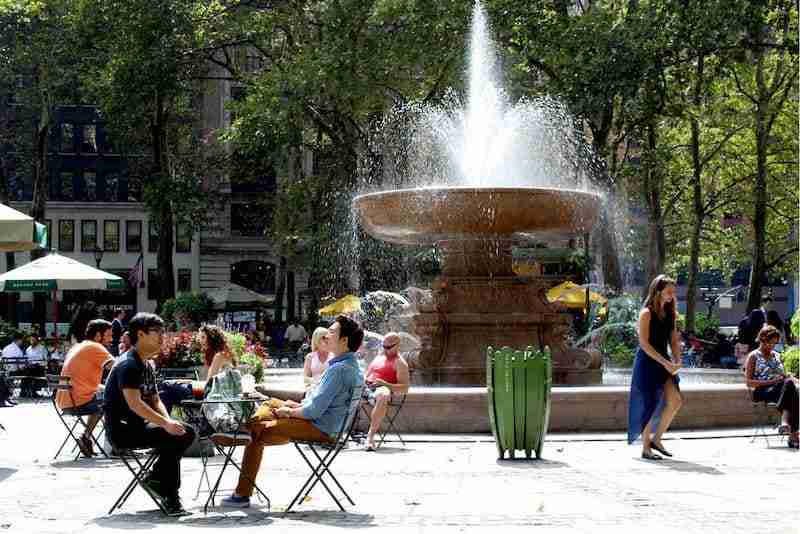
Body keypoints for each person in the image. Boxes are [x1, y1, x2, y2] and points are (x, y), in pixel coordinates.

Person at [220, 314, 365, 508]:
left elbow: (313, 411)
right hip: (328, 425)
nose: (326, 336)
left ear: (344, 340)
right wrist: (290, 406)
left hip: (320, 427)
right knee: (271, 403)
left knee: (257, 430)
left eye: (331, 332)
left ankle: (240, 482)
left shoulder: (339, 370)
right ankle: (246, 427)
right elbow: (320, 404)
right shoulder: (352, 366)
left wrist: (288, 412)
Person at [103, 312, 195, 516]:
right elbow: (135, 404)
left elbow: (155, 400)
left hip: (138, 426)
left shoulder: (145, 364)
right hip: (122, 431)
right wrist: (165, 424)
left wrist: (168, 421)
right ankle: (167, 491)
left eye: (163, 332)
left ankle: (158, 481)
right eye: (157, 332)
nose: (162, 337)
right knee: (177, 434)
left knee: (183, 432)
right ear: (141, 334)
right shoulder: (129, 364)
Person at [628, 275, 683, 460]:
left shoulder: (670, 312)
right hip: (648, 361)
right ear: (658, 291)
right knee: (649, 404)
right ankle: (645, 448)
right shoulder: (646, 313)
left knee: (675, 401)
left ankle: (656, 439)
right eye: (669, 291)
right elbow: (643, 344)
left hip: (664, 361)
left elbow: (674, 341)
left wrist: (677, 360)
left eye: (673, 292)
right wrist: (665, 362)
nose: (672, 295)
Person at [56, 320, 115, 457]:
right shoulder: (95, 347)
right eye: (108, 335)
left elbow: (81, 380)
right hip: (79, 402)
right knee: (115, 402)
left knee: (104, 399)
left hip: (65, 401)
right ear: (98, 336)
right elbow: (117, 367)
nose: (111, 339)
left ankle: (87, 437)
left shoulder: (77, 346)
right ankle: (117, 445)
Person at [744, 325, 799, 449]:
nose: (772, 346)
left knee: (789, 385)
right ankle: (793, 432)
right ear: (762, 339)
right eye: (770, 343)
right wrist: (772, 381)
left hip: (779, 389)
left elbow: (783, 375)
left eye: (774, 343)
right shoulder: (754, 356)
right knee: (790, 389)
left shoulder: (776, 355)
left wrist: (792, 379)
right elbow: (749, 382)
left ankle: (788, 428)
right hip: (762, 391)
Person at [363, 332, 410, 451]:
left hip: (381, 388)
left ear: (398, 345)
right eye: (383, 346)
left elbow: (404, 387)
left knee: (383, 394)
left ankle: (370, 436)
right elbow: (367, 374)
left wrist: (384, 384)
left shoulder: (400, 363)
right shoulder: (379, 356)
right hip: (366, 387)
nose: (385, 349)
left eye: (388, 347)